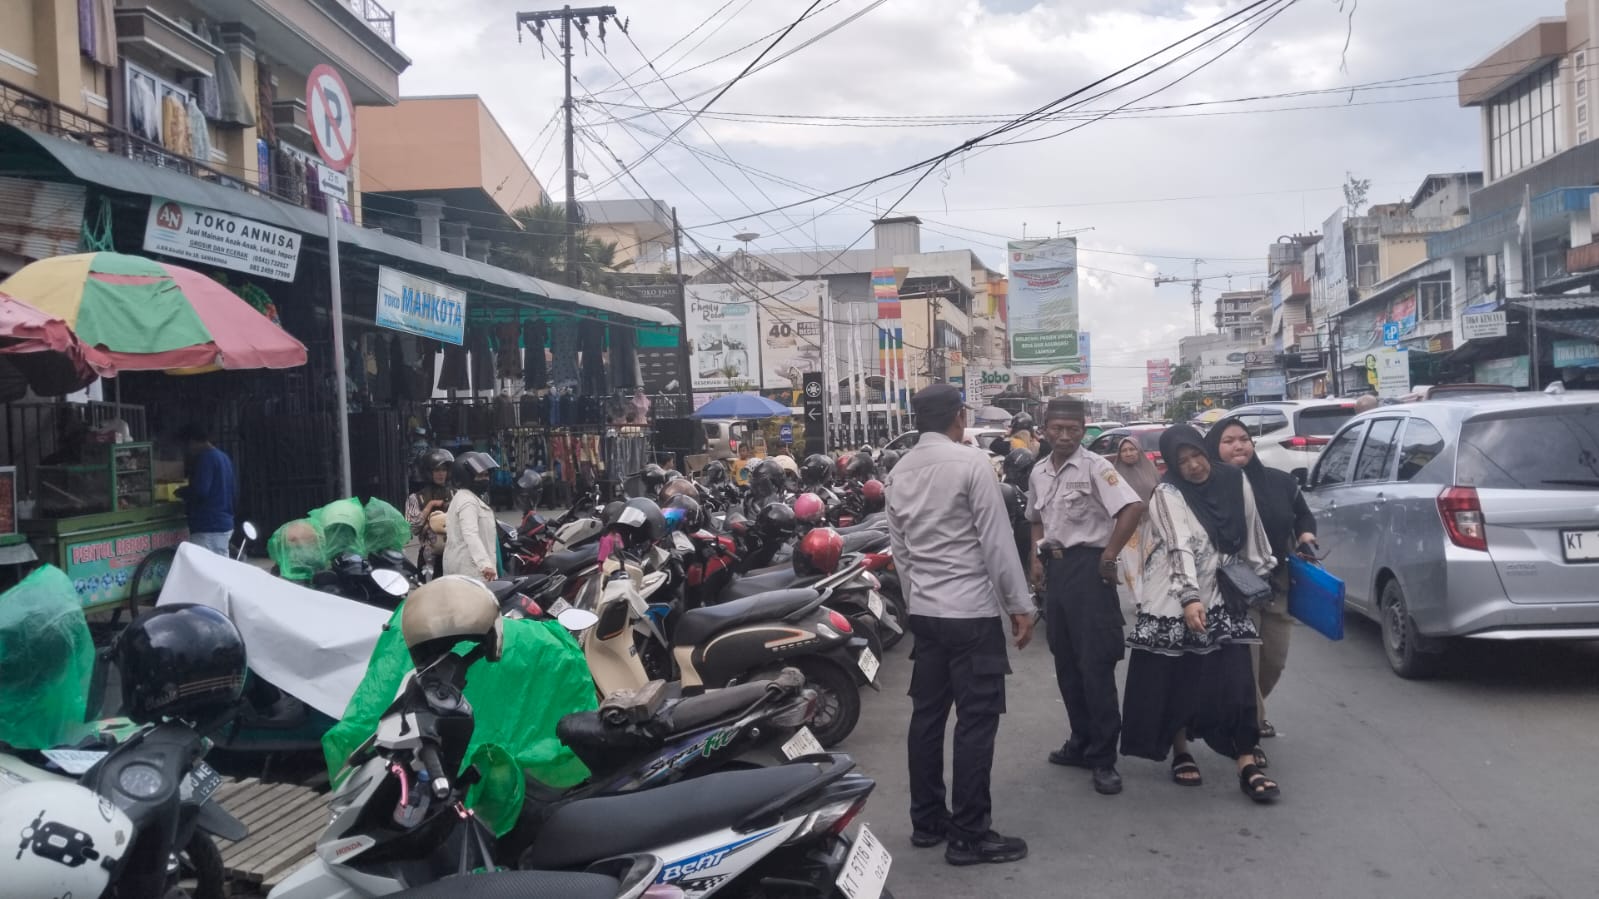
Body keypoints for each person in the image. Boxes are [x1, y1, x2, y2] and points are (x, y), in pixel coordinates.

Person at [885, 383, 1035, 867]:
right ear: (958, 417)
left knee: (927, 718)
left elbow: (902, 553)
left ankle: (927, 822)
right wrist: (1020, 606)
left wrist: (916, 605)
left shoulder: (898, 471)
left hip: (927, 614)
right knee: (975, 722)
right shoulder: (971, 464)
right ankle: (970, 834)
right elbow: (996, 543)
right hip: (971, 613)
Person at [1121, 426, 1281, 803]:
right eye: (1183, 461)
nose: (1193, 466)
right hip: (1175, 595)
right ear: (1172, 465)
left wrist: (1261, 575)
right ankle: (1181, 751)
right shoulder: (1166, 492)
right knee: (1179, 676)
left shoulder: (1234, 479)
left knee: (1237, 679)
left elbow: (1252, 529)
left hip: (1224, 594)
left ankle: (1246, 761)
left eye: (1197, 455)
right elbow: (1179, 546)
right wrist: (1190, 597)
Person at [1027, 399, 1143, 796]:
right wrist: (1036, 560)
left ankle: (1104, 758)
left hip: (1090, 570)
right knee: (1067, 662)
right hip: (1057, 571)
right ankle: (1080, 741)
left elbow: (1132, 507)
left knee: (1095, 664)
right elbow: (1037, 519)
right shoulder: (1039, 471)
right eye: (1057, 428)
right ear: (1044, 428)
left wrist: (1110, 555)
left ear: (1083, 430)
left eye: (1072, 429)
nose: (1064, 436)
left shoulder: (1097, 467)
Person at [1207, 417, 1318, 742]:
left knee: (1274, 661)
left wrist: (1306, 534)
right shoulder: (1209, 488)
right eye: (1228, 440)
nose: (1238, 445)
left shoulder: (1279, 482)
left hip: (1277, 583)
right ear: (1215, 447)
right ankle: (1250, 727)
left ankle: (1249, 711)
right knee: (1246, 664)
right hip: (1233, 587)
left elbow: (1303, 514)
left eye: (1243, 438)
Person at [1111, 436, 1162, 607]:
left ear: (1139, 451)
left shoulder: (1150, 469)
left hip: (1150, 521)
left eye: (1132, 449)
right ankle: (1139, 600)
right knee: (1131, 563)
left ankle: (1152, 594)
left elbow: (1159, 492)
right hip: (1126, 525)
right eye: (1124, 450)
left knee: (1150, 559)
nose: (1129, 453)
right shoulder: (1114, 474)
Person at [176, 423, 236, 556]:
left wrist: (182, 492)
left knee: (204, 570)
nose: (187, 451)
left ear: (192, 442)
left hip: (209, 526)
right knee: (219, 569)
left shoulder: (206, 458)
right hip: (224, 523)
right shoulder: (224, 457)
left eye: (186, 446)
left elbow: (200, 491)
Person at [442, 451, 499, 582]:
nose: (485, 479)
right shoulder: (467, 501)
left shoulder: (467, 498)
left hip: (468, 569)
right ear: (465, 477)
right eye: (480, 475)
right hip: (471, 571)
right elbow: (470, 533)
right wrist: (484, 564)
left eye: (486, 475)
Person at [405, 449, 454, 579]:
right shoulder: (416, 498)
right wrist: (429, 506)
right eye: (437, 470)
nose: (441, 474)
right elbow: (412, 528)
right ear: (428, 472)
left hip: (453, 555)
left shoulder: (456, 494)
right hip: (429, 559)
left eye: (444, 470)